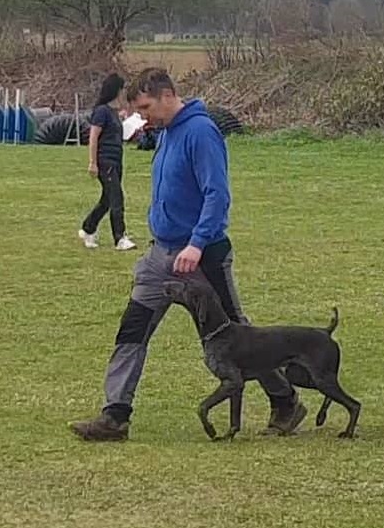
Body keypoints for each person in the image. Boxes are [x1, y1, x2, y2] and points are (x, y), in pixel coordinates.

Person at [69, 68, 304, 442]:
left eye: (145, 108)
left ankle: (285, 400)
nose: (142, 116)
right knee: (132, 330)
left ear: (167, 96)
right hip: (159, 259)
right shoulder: (165, 133)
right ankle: (115, 416)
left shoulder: (201, 132)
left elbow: (217, 195)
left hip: (202, 257)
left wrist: (196, 244)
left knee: (239, 337)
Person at [78, 73, 137, 251]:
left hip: (116, 160)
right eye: (122, 89)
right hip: (106, 161)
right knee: (117, 198)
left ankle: (88, 227)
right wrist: (93, 162)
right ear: (116, 90)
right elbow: (94, 137)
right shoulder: (102, 111)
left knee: (107, 200)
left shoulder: (114, 113)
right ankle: (120, 238)